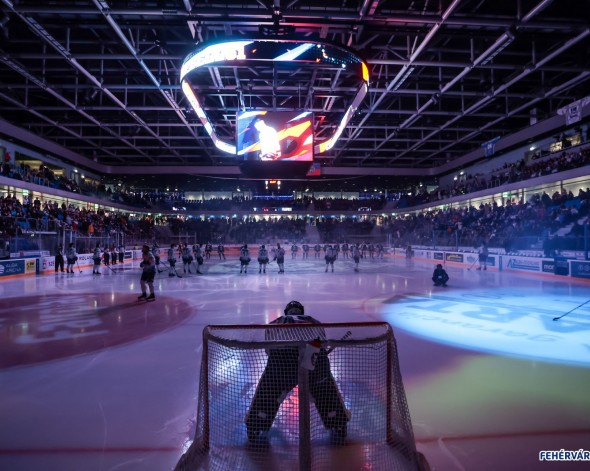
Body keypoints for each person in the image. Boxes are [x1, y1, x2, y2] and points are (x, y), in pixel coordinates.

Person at [245, 301, 349, 443]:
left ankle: (256, 423)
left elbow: (268, 350)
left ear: (287, 312)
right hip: (313, 355)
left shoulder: (276, 322)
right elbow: (322, 345)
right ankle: (337, 421)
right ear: (301, 311)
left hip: (282, 359)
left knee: (269, 388)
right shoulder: (314, 321)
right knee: (324, 387)